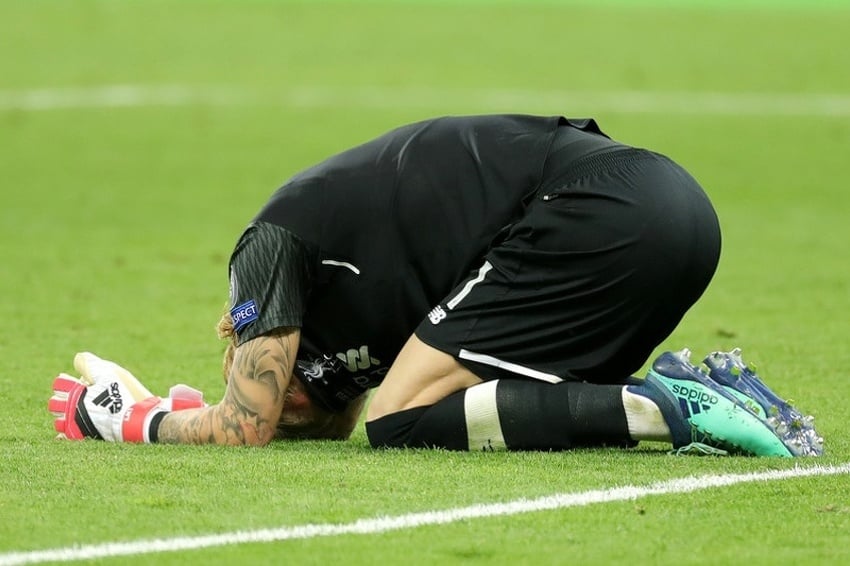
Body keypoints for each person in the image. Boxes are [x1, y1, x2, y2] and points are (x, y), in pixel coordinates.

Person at [48, 114, 823, 457]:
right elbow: (305, 423)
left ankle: (665, 406)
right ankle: (719, 396)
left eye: (254, 368)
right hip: (672, 212)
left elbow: (246, 424)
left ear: (261, 328)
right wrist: (209, 408)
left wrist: (138, 417)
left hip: (596, 206)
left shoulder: (266, 245)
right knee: (463, 409)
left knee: (401, 418)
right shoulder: (391, 311)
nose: (278, 404)